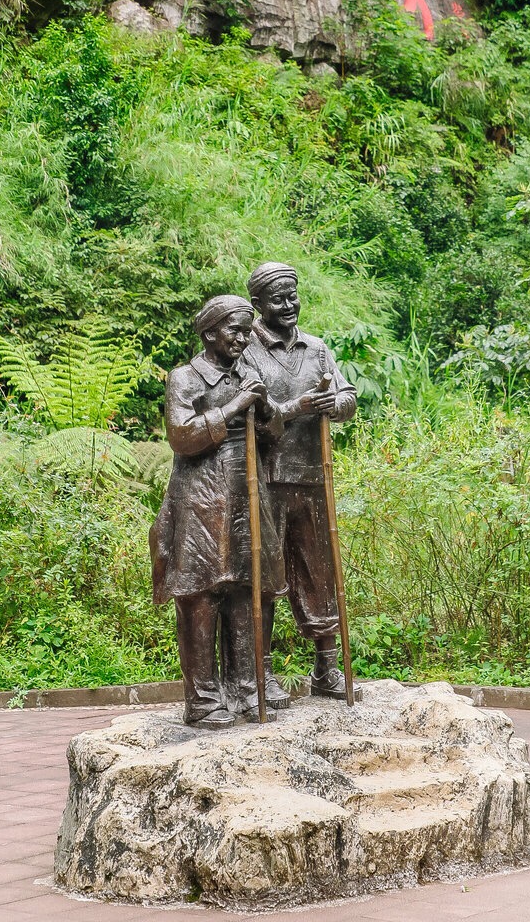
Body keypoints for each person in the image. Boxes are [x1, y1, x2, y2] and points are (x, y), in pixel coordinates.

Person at [150, 294, 286, 728]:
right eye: (235, 329)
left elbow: (273, 432)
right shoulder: (185, 378)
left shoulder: (249, 372)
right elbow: (182, 437)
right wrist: (235, 406)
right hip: (201, 496)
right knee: (201, 594)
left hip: (247, 491)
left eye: (248, 330)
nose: (244, 338)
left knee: (248, 588)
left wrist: (266, 410)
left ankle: (247, 687)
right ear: (210, 333)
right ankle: (203, 697)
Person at [244, 262, 356, 702]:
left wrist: (336, 403)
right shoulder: (246, 350)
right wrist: (296, 406)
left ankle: (326, 667)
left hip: (312, 476)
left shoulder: (317, 348)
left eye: (293, 296)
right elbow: (255, 411)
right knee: (266, 573)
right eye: (278, 298)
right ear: (258, 305)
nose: (289, 305)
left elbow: (347, 396)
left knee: (319, 572)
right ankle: (261, 671)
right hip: (264, 480)